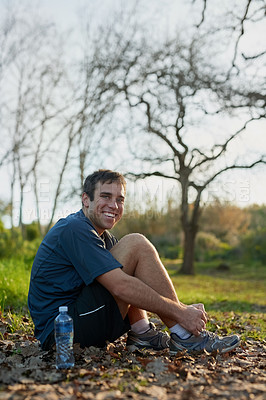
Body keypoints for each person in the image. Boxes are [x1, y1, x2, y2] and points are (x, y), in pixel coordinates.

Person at [28, 169, 240, 354]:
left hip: (76, 320)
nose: (114, 205)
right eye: (105, 196)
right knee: (136, 244)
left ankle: (142, 334)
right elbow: (120, 287)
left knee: (130, 255)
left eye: (120, 199)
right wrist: (181, 312)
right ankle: (185, 336)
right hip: (62, 332)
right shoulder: (74, 229)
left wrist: (181, 308)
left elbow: (128, 277)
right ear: (86, 200)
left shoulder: (103, 237)